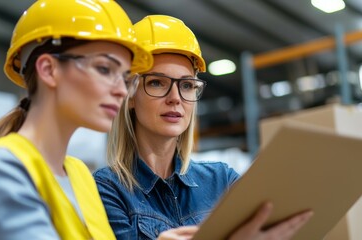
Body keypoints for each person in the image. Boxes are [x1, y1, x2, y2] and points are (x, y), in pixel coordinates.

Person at [93, 15, 313, 240]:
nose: (175, 98)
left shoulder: (221, 180)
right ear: (130, 94)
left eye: (187, 85)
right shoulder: (107, 189)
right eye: (157, 82)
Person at [0, 0, 153, 239]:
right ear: (49, 69)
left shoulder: (79, 173)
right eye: (105, 69)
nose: (122, 91)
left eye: (126, 78)